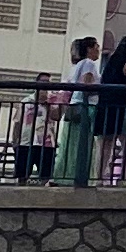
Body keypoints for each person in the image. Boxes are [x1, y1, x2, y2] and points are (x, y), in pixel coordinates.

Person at [51, 37, 100, 187]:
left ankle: (64, 175)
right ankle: (81, 177)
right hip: (85, 106)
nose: (98, 50)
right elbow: (87, 83)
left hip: (74, 106)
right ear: (90, 49)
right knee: (84, 144)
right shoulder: (89, 64)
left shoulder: (77, 65)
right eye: (97, 47)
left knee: (71, 143)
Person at [96, 34, 126, 185]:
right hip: (124, 106)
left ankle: (100, 178)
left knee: (105, 145)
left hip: (106, 106)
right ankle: (125, 179)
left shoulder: (109, 64)